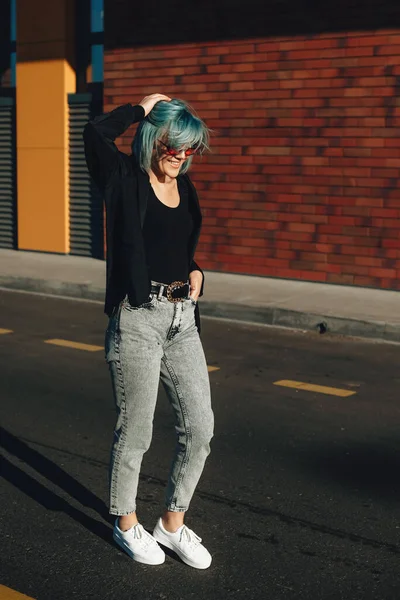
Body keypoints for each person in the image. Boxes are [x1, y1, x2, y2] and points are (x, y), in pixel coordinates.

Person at [83, 94, 214, 569]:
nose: (181, 155)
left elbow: (174, 249)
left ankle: (172, 525)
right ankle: (125, 523)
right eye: (174, 145)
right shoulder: (124, 180)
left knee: (200, 428)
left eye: (189, 148)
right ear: (154, 138)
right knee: (136, 430)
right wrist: (139, 108)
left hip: (182, 320)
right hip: (138, 318)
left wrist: (197, 273)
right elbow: (93, 133)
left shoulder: (188, 191)